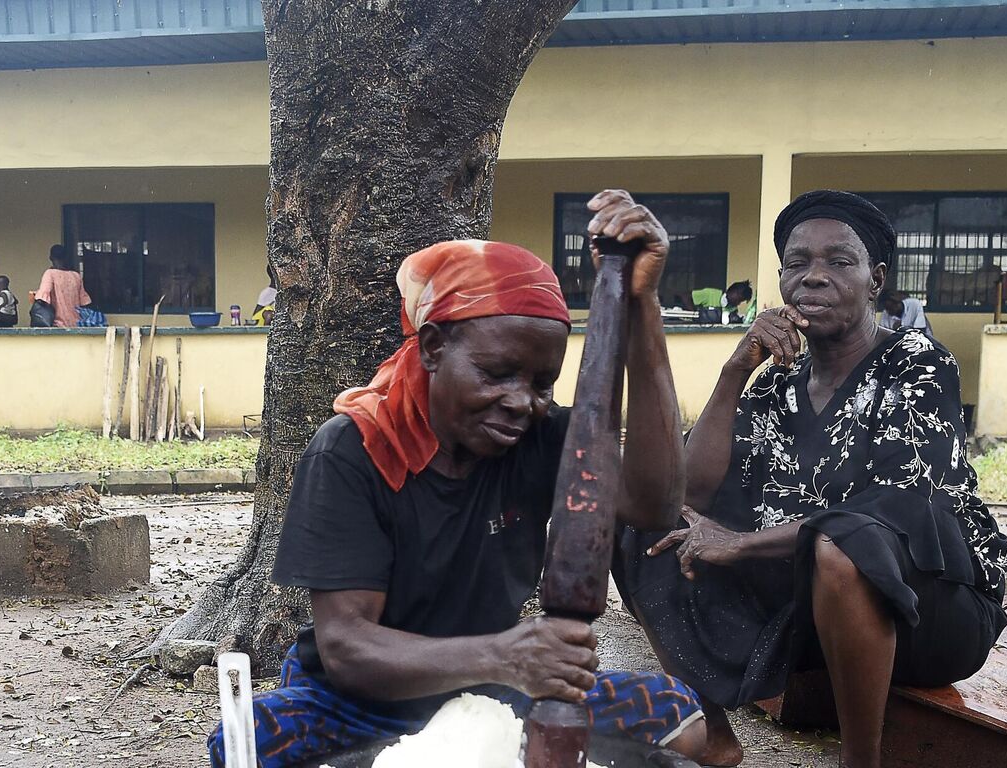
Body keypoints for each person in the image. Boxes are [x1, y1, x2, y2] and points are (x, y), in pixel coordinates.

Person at [207, 191, 713, 768]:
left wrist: (641, 306)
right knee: (246, 743)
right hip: (364, 698)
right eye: (497, 374)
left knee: (680, 720)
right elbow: (348, 649)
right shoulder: (354, 450)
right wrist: (504, 655)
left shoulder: (543, 437)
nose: (522, 401)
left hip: (496, 689)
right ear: (432, 347)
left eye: (543, 382)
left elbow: (654, 503)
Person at [614, 190, 1007, 768]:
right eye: (797, 263)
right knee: (646, 523)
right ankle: (714, 736)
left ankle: (860, 763)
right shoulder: (778, 384)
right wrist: (735, 371)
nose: (814, 278)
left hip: (932, 612)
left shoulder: (918, 362)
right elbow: (691, 493)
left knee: (844, 544)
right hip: (808, 614)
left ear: (875, 279)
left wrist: (742, 543)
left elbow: (894, 506)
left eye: (838, 262)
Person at [34, 245, 92, 329]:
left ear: (50, 257)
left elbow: (42, 298)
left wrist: (35, 295)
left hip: (58, 326)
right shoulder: (76, 276)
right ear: (66, 257)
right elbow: (84, 302)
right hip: (77, 325)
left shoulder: (50, 274)